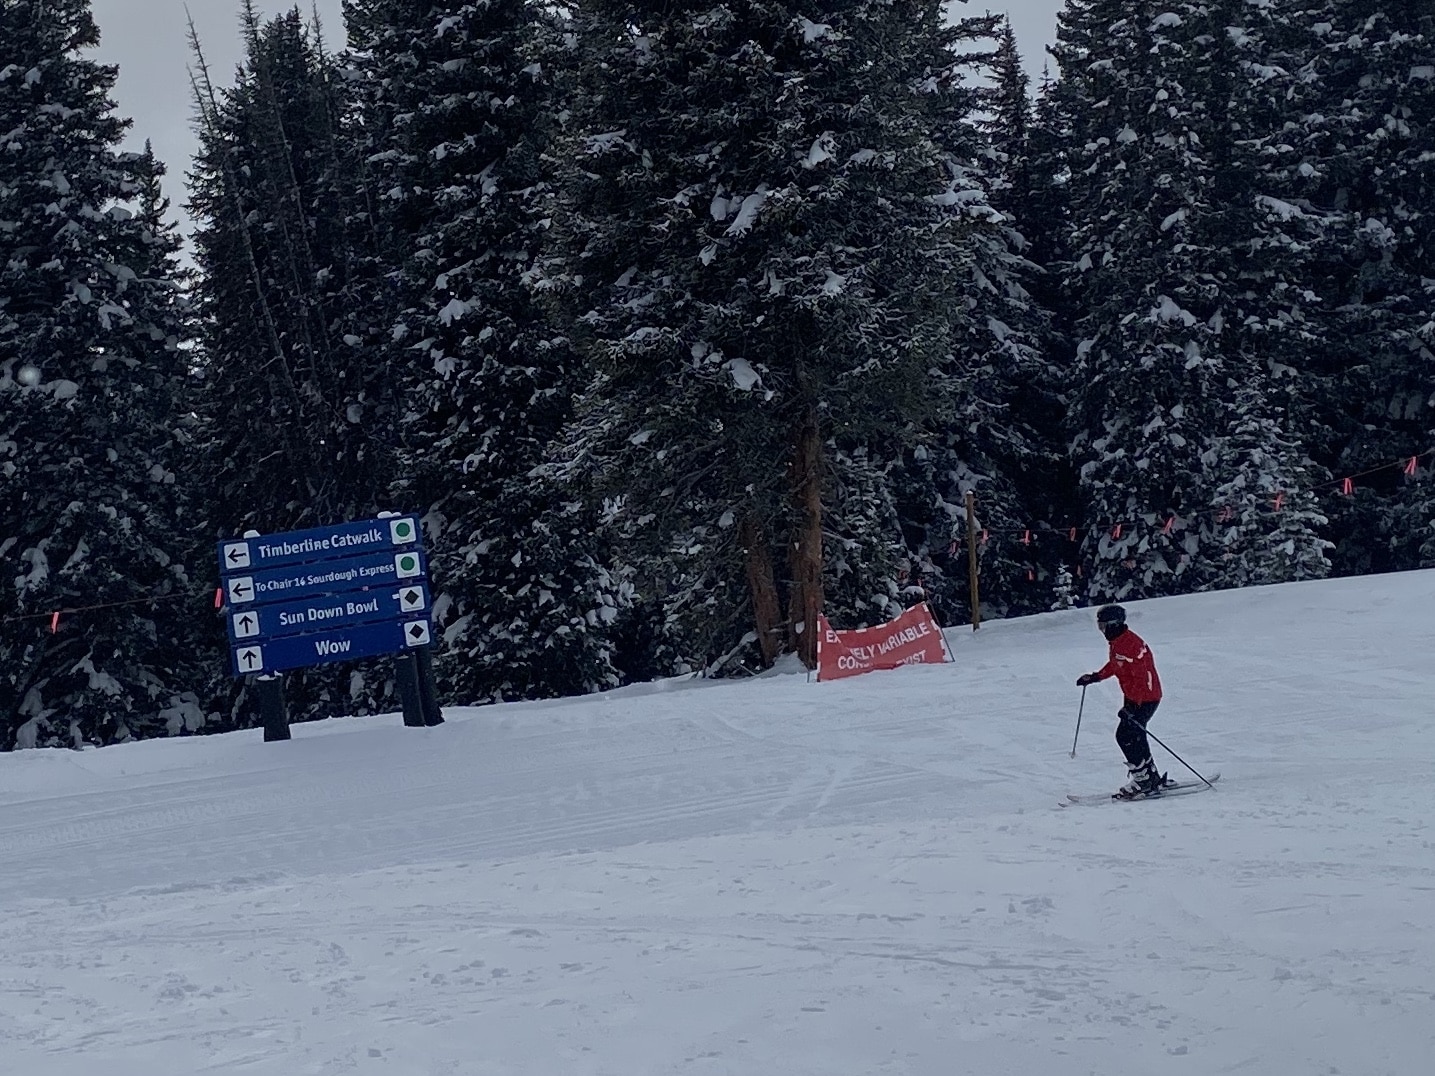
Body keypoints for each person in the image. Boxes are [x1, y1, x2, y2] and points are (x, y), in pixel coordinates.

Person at [1076, 604, 1169, 798]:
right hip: (1136, 697)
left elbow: (1143, 677)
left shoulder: (1131, 645)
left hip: (1146, 697)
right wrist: (1095, 677)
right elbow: (1116, 665)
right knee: (1134, 735)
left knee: (1125, 736)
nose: (1102, 631)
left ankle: (1144, 781)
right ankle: (1150, 776)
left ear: (1114, 624)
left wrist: (1134, 705)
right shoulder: (1119, 642)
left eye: (1103, 626)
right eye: (1099, 627)